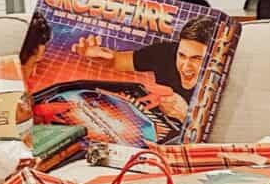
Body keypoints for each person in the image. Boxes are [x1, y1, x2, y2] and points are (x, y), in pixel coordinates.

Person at [70, 15, 217, 123]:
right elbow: (118, 61)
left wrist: (186, 115)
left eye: (197, 59)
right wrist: (99, 57)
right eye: (182, 55)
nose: (185, 66)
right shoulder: (164, 52)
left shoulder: (219, 81)